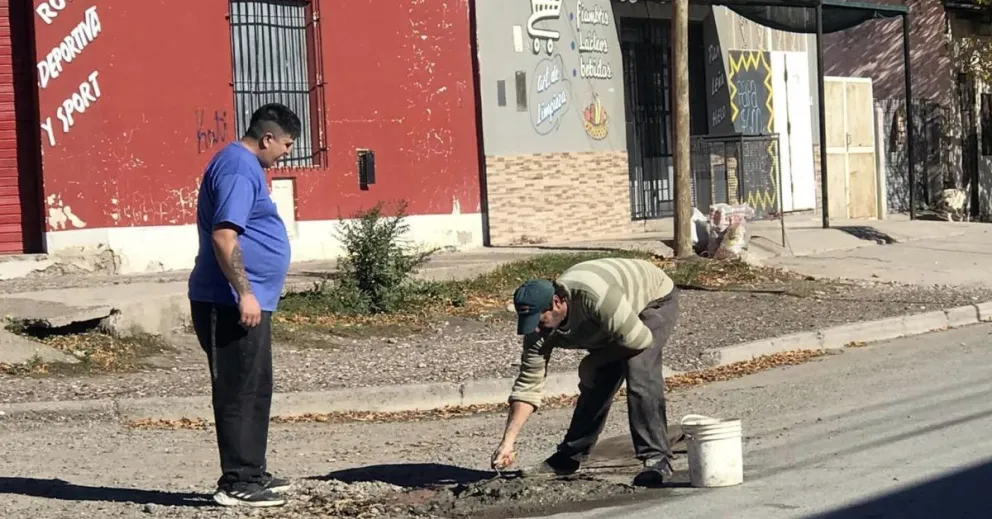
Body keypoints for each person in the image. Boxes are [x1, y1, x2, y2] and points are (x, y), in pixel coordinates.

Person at [187, 103, 300, 508]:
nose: (286, 152)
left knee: (255, 388)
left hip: (247, 300)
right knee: (237, 390)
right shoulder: (237, 168)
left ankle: (252, 471)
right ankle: (236, 482)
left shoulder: (245, 167)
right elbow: (224, 237)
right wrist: (245, 293)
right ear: (267, 138)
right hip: (227, 301)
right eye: (286, 144)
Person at [491, 257, 679, 487]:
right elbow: (528, 385)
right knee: (597, 380)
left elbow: (639, 340)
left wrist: (592, 360)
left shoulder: (596, 298)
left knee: (639, 369)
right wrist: (507, 442)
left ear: (558, 302)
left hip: (652, 298)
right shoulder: (536, 331)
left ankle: (656, 458)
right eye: (531, 324)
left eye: (540, 321)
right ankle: (568, 458)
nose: (537, 330)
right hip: (613, 314)